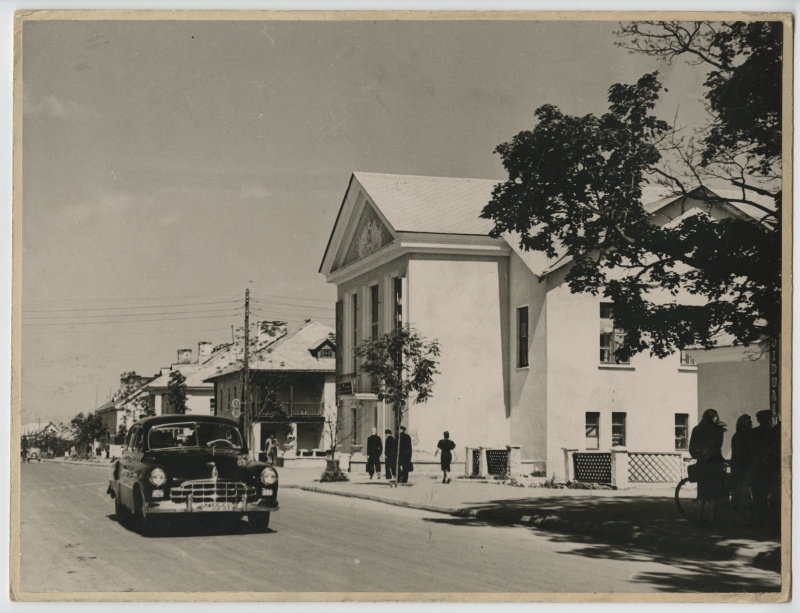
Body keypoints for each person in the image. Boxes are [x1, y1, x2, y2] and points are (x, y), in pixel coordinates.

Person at [689, 408, 727, 523]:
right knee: (714, 495)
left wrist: (699, 455)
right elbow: (718, 446)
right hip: (715, 464)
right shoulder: (718, 430)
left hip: (703, 465)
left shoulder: (697, 430)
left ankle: (698, 519)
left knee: (701, 494)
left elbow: (692, 450)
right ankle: (711, 520)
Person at [750, 409, 780, 525]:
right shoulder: (774, 432)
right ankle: (772, 520)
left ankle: (759, 520)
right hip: (772, 467)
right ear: (769, 419)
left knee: (759, 496)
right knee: (773, 494)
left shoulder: (753, 432)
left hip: (757, 468)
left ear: (758, 419)